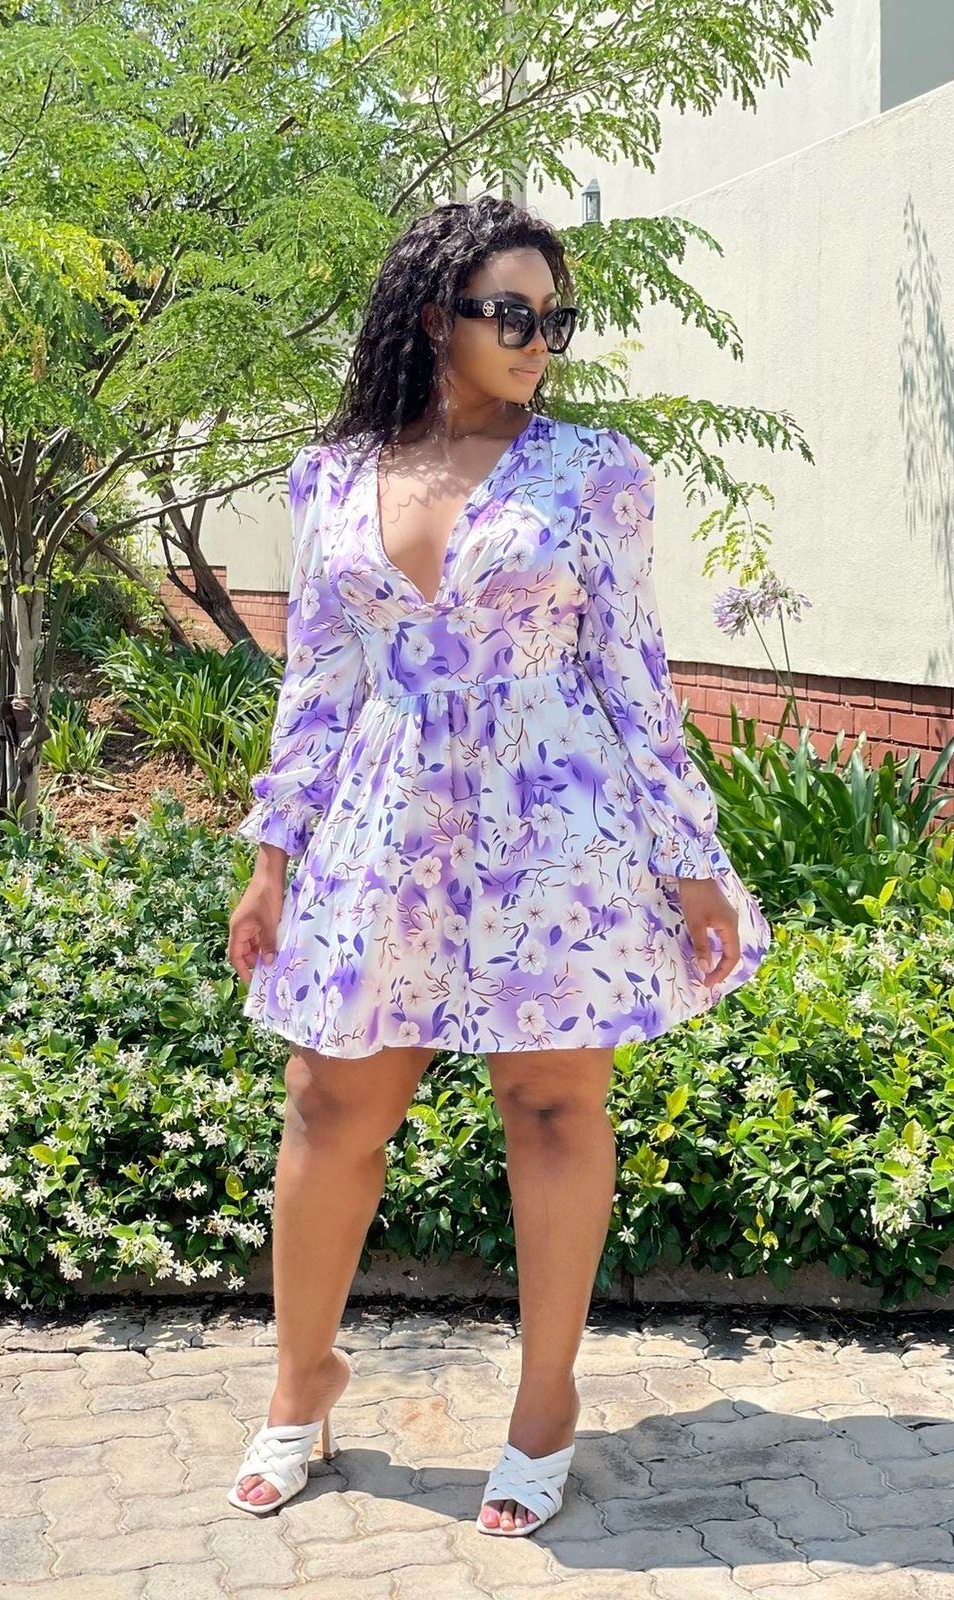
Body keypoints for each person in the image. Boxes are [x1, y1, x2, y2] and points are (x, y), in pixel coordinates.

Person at [223, 196, 772, 1534]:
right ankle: (302, 1384)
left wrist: (692, 857)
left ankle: (544, 1404)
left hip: (555, 819)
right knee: (330, 1103)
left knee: (552, 1106)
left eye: (555, 319)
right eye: (512, 314)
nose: (539, 340)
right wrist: (271, 856)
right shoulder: (332, 476)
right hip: (384, 818)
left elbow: (634, 673)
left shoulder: (595, 471)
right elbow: (318, 680)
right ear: (435, 317)